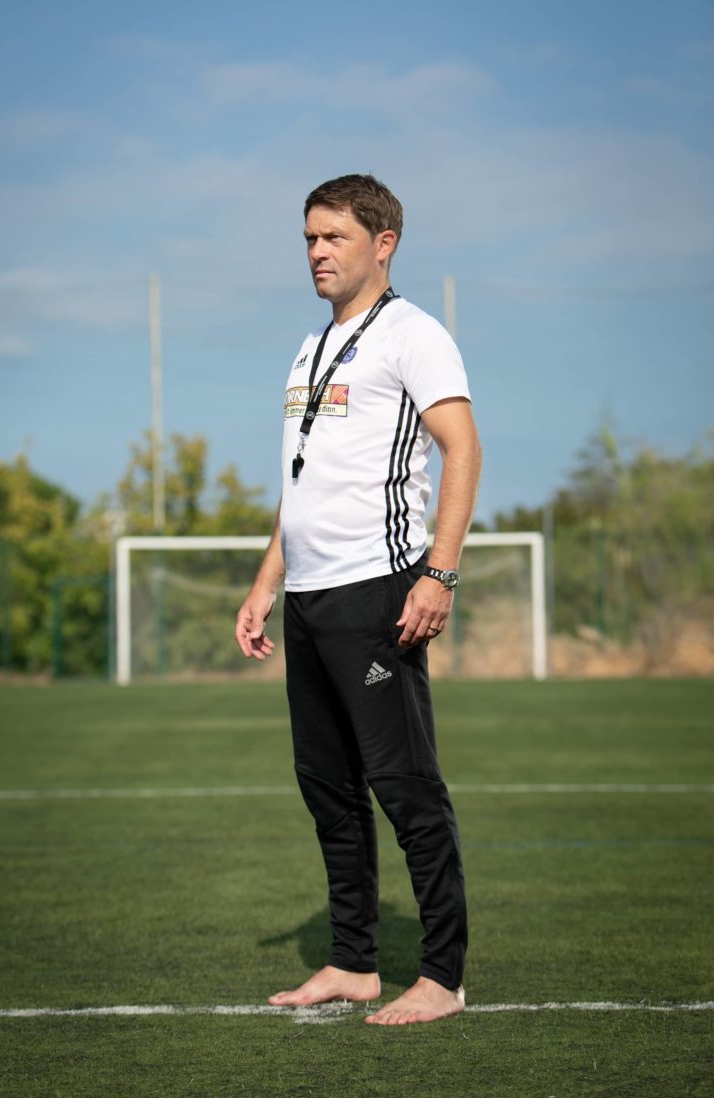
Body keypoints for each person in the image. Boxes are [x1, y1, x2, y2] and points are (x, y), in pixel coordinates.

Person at [235, 174, 482, 1027]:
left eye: (333, 237)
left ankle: (442, 979)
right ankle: (352, 962)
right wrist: (267, 582)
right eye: (308, 238)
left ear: (383, 243)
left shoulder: (414, 336)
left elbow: (462, 450)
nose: (315, 252)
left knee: (405, 789)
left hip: (377, 589)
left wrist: (437, 573)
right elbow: (302, 481)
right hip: (307, 597)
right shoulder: (310, 345)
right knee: (326, 789)